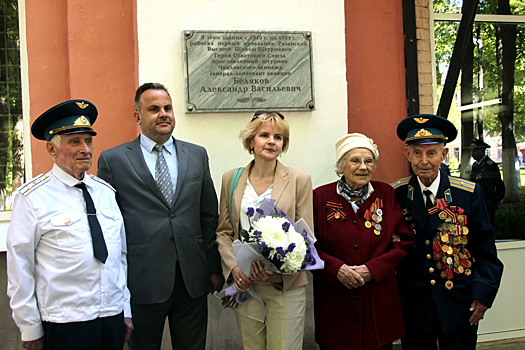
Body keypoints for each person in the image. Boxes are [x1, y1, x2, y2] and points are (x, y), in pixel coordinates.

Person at [97, 83, 223, 350]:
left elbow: (208, 214)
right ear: (138, 116)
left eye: (167, 108)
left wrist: (213, 267)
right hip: (142, 280)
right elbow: (109, 226)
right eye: (154, 109)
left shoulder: (196, 155)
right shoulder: (113, 160)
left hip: (191, 279)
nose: (163, 114)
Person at [7, 100, 133, 350]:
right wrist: (29, 326)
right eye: (74, 142)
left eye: (88, 141)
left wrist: (124, 309)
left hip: (111, 316)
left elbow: (119, 258)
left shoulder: (105, 193)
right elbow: (20, 267)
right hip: (65, 322)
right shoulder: (33, 198)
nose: (85, 149)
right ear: (51, 150)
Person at [391, 114, 504, 350]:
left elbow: (485, 250)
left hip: (459, 302)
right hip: (413, 305)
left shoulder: (467, 194)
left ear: (443, 155)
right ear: (407, 154)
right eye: (417, 153)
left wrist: (483, 295)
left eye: (431, 153)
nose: (424, 161)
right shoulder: (397, 194)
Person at [215, 111, 314, 350]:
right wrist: (235, 270)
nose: (272, 141)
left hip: (284, 286)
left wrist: (279, 274)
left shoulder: (300, 179)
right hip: (246, 284)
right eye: (264, 135)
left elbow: (306, 237)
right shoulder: (232, 179)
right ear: (251, 141)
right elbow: (224, 232)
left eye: (278, 137)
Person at [312, 133, 414, 350]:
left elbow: (404, 241)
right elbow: (308, 246)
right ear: (340, 166)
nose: (363, 167)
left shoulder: (385, 194)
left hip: (378, 304)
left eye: (369, 161)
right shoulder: (320, 197)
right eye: (355, 160)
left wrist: (372, 269)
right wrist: (337, 269)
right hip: (335, 304)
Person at [470, 138, 505, 228]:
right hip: (476, 203)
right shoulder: (475, 166)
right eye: (472, 150)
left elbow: (499, 186)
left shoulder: (490, 166)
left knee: (488, 227)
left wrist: (493, 201)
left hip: (487, 204)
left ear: (482, 151)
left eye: (475, 150)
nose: (472, 153)